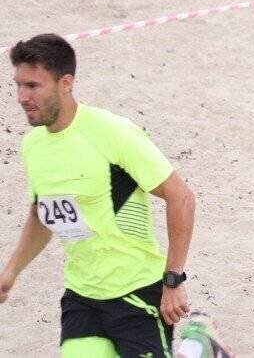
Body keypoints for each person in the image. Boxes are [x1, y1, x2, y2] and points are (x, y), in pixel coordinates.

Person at [3, 33, 198, 357]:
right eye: (18, 85)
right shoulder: (32, 146)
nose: (22, 97)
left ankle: (199, 349)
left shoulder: (112, 133)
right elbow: (42, 214)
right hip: (82, 298)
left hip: (137, 294)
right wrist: (11, 271)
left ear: (65, 83)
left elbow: (181, 197)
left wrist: (173, 280)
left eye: (33, 86)